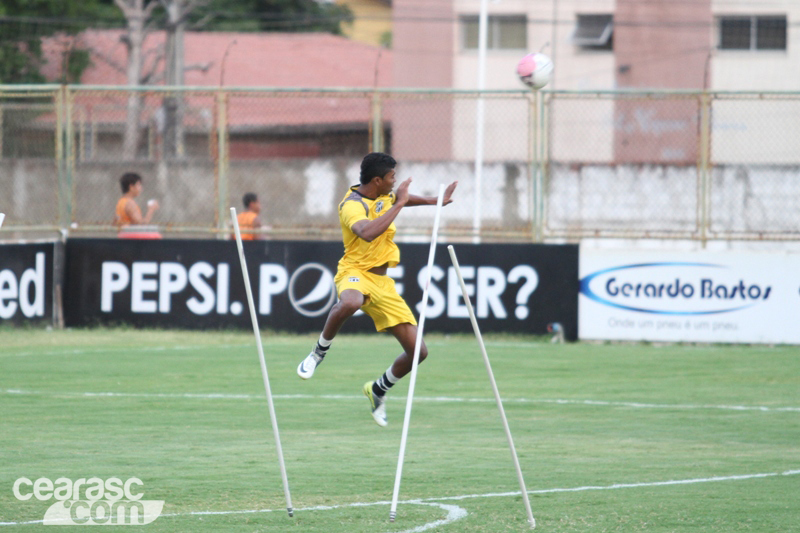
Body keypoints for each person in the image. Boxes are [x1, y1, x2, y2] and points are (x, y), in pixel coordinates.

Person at [297, 152, 457, 427]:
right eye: (392, 177)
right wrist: (400, 202)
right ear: (377, 180)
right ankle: (318, 353)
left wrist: (436, 201)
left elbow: (398, 200)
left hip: (383, 283)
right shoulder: (351, 205)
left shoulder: (384, 195)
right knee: (351, 303)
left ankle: (378, 389)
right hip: (354, 272)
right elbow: (367, 232)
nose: (395, 181)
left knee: (418, 353)